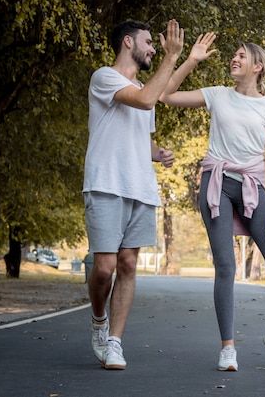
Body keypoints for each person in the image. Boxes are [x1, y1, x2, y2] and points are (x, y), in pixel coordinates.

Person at [160, 34, 265, 371]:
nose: (233, 59)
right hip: (217, 183)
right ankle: (228, 347)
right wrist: (191, 59)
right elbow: (165, 95)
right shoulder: (217, 95)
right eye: (233, 55)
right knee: (226, 267)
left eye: (240, 56)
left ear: (257, 66)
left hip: (252, 185)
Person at [83, 19, 184, 370]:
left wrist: (156, 152)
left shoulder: (145, 87)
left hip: (140, 187)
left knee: (127, 265)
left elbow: (140, 130)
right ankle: (99, 321)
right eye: (148, 42)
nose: (153, 49)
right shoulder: (105, 77)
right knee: (104, 269)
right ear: (128, 42)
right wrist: (171, 57)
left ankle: (115, 342)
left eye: (156, 46)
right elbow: (143, 100)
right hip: (106, 184)